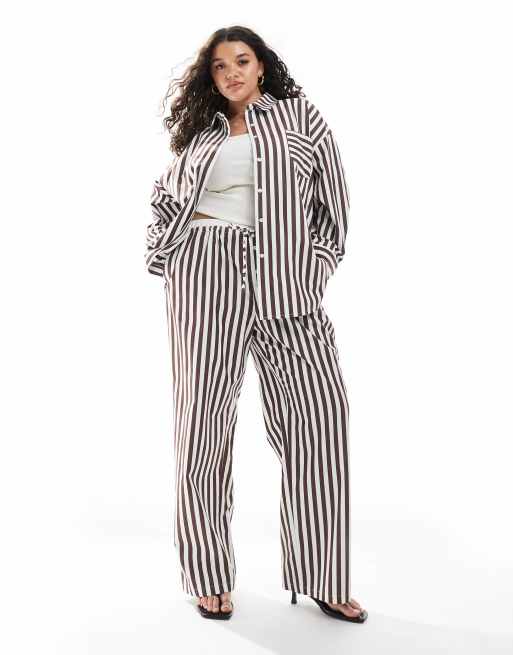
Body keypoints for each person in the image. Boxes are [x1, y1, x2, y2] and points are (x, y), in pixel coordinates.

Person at [145, 25, 367, 623]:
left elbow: (333, 211)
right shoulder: (201, 135)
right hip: (204, 273)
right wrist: (166, 254)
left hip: (286, 283)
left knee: (320, 418)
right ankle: (208, 576)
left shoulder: (301, 119)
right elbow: (165, 198)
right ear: (211, 77)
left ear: (262, 65)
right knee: (203, 425)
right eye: (220, 66)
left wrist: (313, 271)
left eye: (241, 61)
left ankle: (324, 575)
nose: (232, 73)